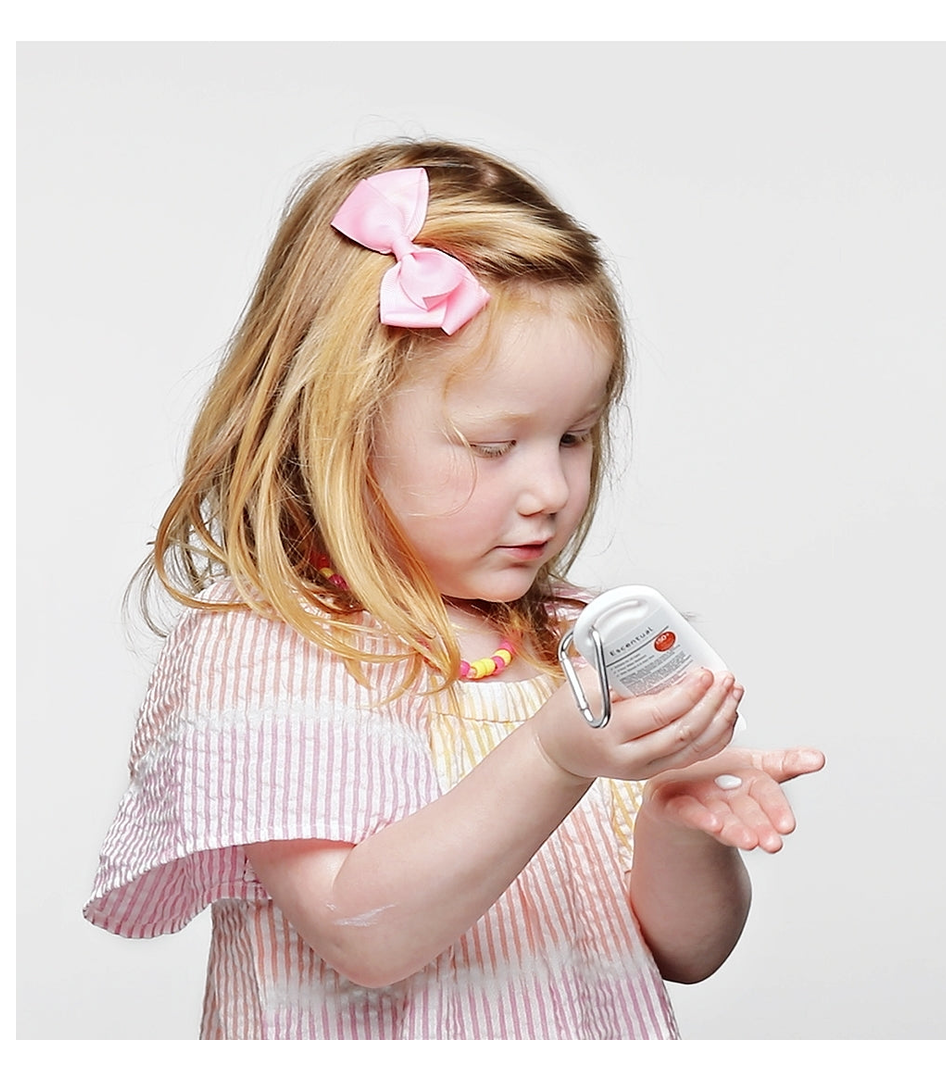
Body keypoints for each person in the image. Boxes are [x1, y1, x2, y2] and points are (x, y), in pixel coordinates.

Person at [84, 140, 824, 1040]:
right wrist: (552, 757)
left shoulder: (573, 642)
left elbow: (684, 953)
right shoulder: (270, 648)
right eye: (493, 445)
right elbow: (363, 934)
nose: (548, 490)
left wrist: (675, 828)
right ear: (341, 431)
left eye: (575, 437)